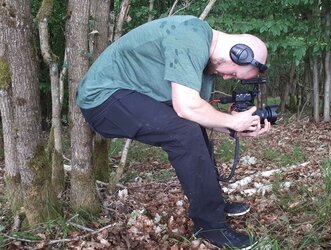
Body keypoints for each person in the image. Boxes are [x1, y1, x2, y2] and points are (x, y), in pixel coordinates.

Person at [76, 15, 271, 249]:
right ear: (238, 53)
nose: (228, 77)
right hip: (102, 99)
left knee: (192, 127)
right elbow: (187, 107)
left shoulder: (201, 57)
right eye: (234, 72)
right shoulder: (191, 36)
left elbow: (199, 114)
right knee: (183, 131)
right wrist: (232, 122)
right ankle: (211, 226)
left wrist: (237, 126)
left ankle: (213, 204)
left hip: (128, 94)